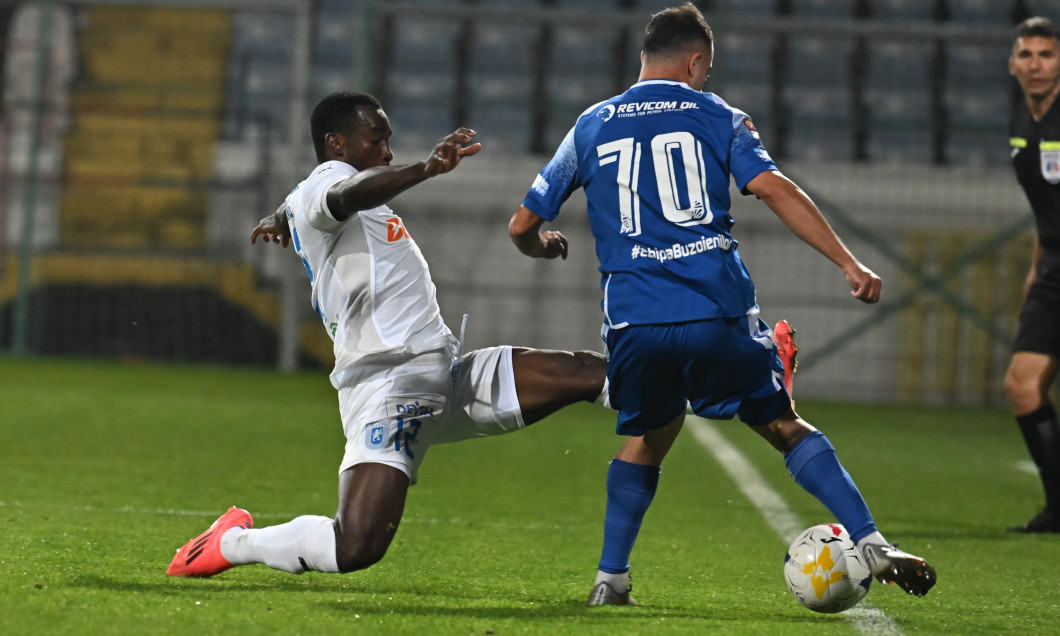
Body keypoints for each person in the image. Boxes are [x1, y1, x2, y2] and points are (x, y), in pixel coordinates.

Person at [509, 3, 937, 605]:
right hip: (716, 312)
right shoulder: (719, 116)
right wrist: (848, 262)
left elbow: (522, 222)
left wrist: (541, 243)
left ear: (643, 58)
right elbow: (774, 188)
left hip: (635, 322)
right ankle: (868, 539)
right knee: (782, 423)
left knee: (647, 436)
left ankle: (611, 579)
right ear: (695, 61)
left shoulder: (591, 124)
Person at [166, 92, 610, 578]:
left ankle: (700, 397)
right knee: (354, 546)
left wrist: (279, 217)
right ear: (337, 145)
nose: (387, 152)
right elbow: (340, 195)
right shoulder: (332, 182)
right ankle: (232, 541)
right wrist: (425, 169)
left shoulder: (315, 201)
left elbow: (308, 207)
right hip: (389, 383)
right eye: (376, 140)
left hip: (440, 373)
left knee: (585, 372)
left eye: (389, 142)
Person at [1004, 16, 1060, 534]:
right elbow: (1045, 207)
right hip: (1052, 270)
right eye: (1027, 54)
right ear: (1013, 64)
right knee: (1023, 386)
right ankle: (1057, 507)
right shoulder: (1022, 122)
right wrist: (1034, 266)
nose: (1036, 64)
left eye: (1046, 54)